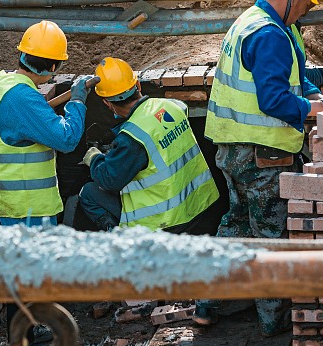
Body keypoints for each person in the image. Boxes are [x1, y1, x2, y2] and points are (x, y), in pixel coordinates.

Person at [198, 0, 323, 336]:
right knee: (271, 237)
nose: (310, 9)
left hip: (233, 150)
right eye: (309, 1)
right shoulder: (270, 35)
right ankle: (273, 324)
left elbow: (292, 78)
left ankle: (205, 304)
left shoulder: (254, 21)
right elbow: (275, 100)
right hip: (262, 155)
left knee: (234, 225)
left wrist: (319, 90)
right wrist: (319, 110)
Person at [0, 19, 95, 346]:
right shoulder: (22, 97)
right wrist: (79, 102)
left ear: (23, 54)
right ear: (54, 65)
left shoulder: (0, 84)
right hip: (23, 203)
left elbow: (30, 119)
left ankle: (28, 332)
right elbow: (67, 138)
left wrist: (53, 104)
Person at [77, 57, 220, 232]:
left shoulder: (132, 138)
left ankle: (121, 243)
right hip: (202, 207)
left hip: (165, 224)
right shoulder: (173, 107)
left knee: (89, 193)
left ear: (107, 103)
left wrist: (95, 159)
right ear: (138, 85)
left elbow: (109, 180)